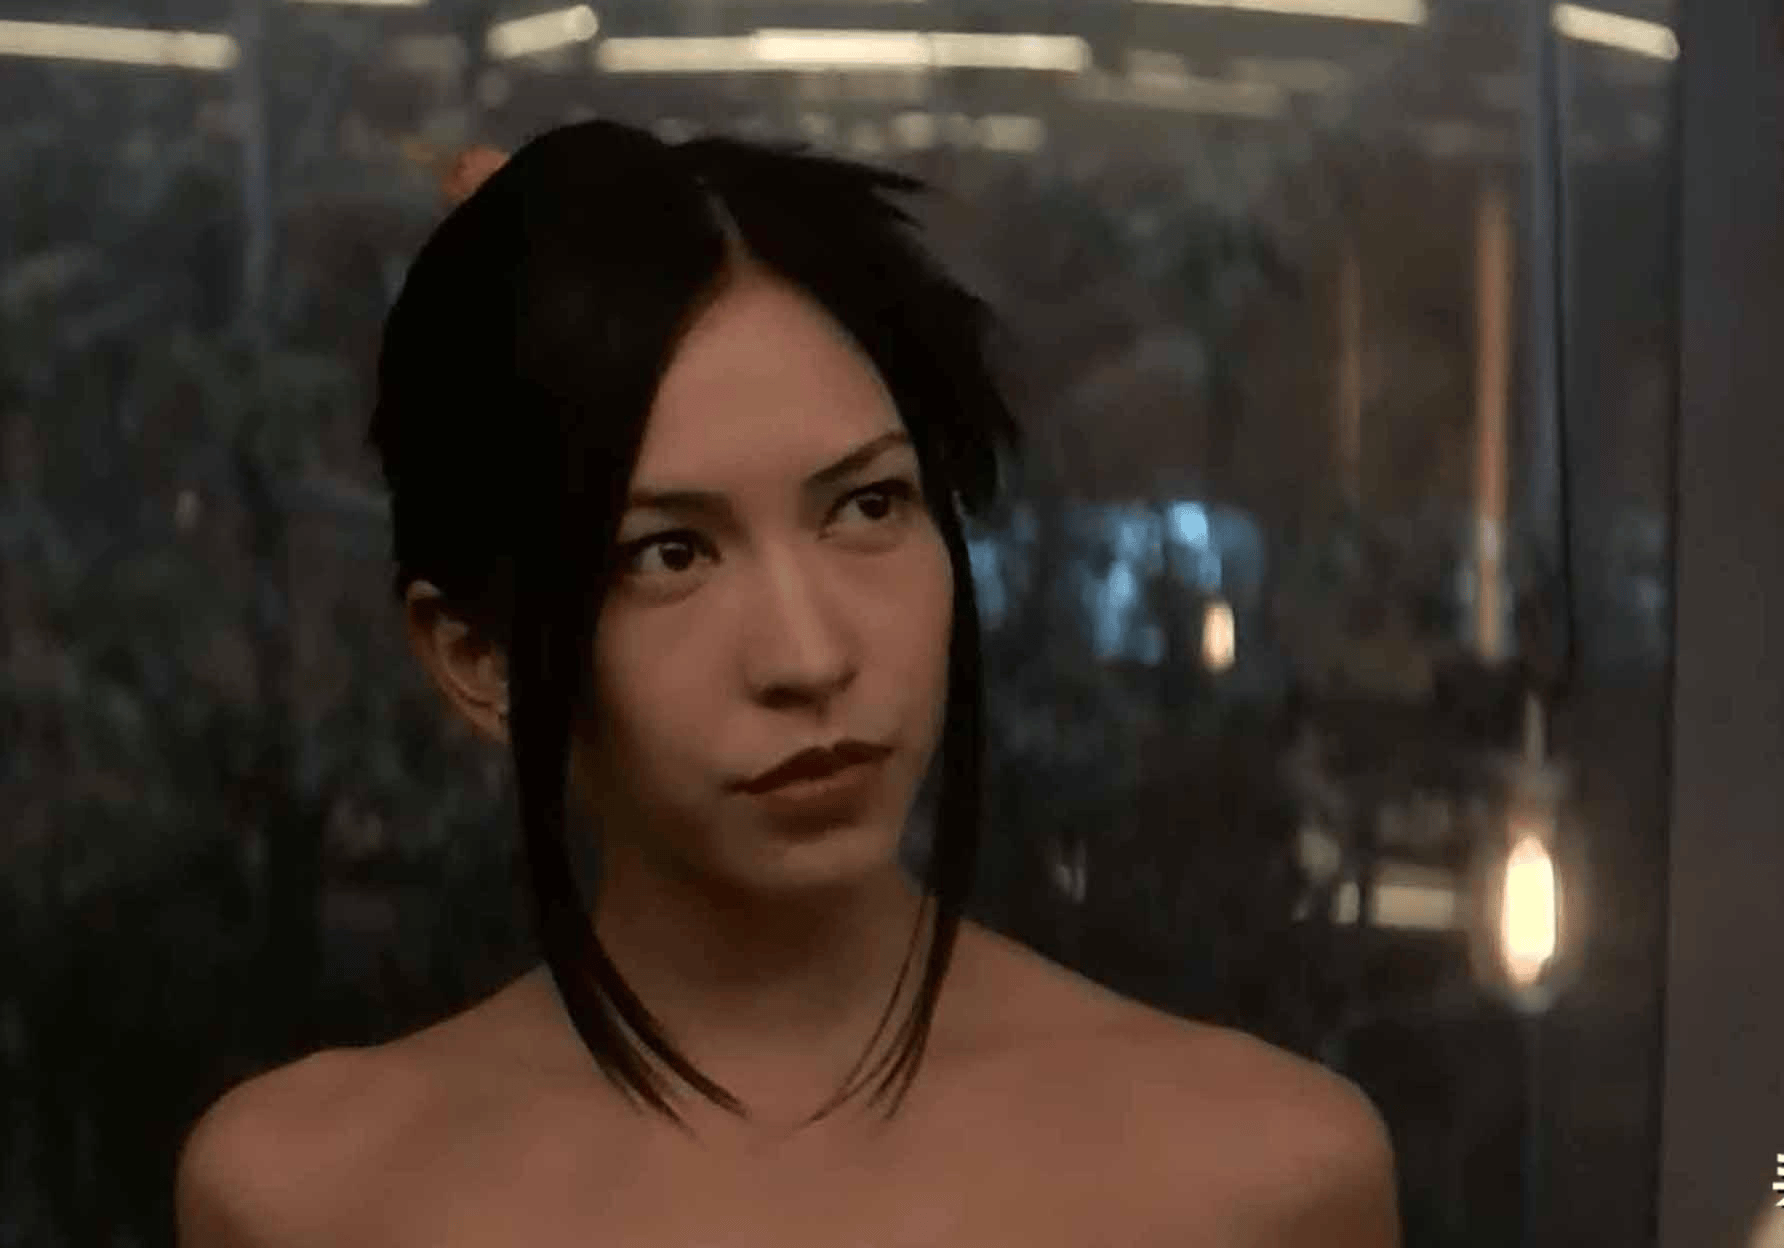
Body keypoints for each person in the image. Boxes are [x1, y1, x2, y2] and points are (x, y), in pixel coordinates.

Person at [174, 119, 1399, 1246]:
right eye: (669, 553)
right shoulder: (305, 1197)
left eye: (866, 505)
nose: (808, 659)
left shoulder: (1262, 1179)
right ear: (476, 657)